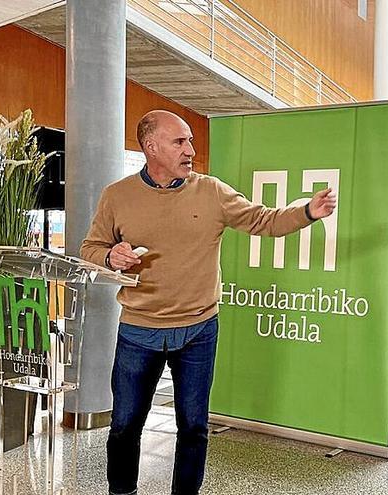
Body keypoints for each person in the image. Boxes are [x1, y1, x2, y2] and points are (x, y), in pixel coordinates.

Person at [80, 109, 336, 495]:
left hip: (199, 330)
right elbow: (90, 248)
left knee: (194, 427)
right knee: (125, 425)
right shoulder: (117, 196)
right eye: (179, 141)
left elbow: (263, 220)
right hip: (138, 330)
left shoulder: (212, 190)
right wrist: (110, 256)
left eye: (191, 141)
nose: (190, 149)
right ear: (151, 146)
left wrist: (307, 213)